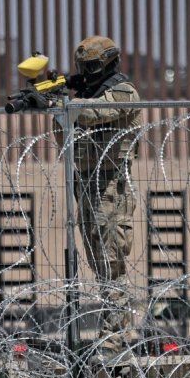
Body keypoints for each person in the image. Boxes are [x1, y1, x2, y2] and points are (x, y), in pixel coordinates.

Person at [63, 36, 142, 361]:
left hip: (110, 188)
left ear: (109, 63)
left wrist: (62, 104)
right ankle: (123, 331)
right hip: (88, 186)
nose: (87, 72)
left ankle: (113, 339)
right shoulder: (84, 95)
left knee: (112, 265)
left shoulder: (122, 91)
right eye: (83, 68)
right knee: (101, 266)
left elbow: (92, 115)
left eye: (92, 67)